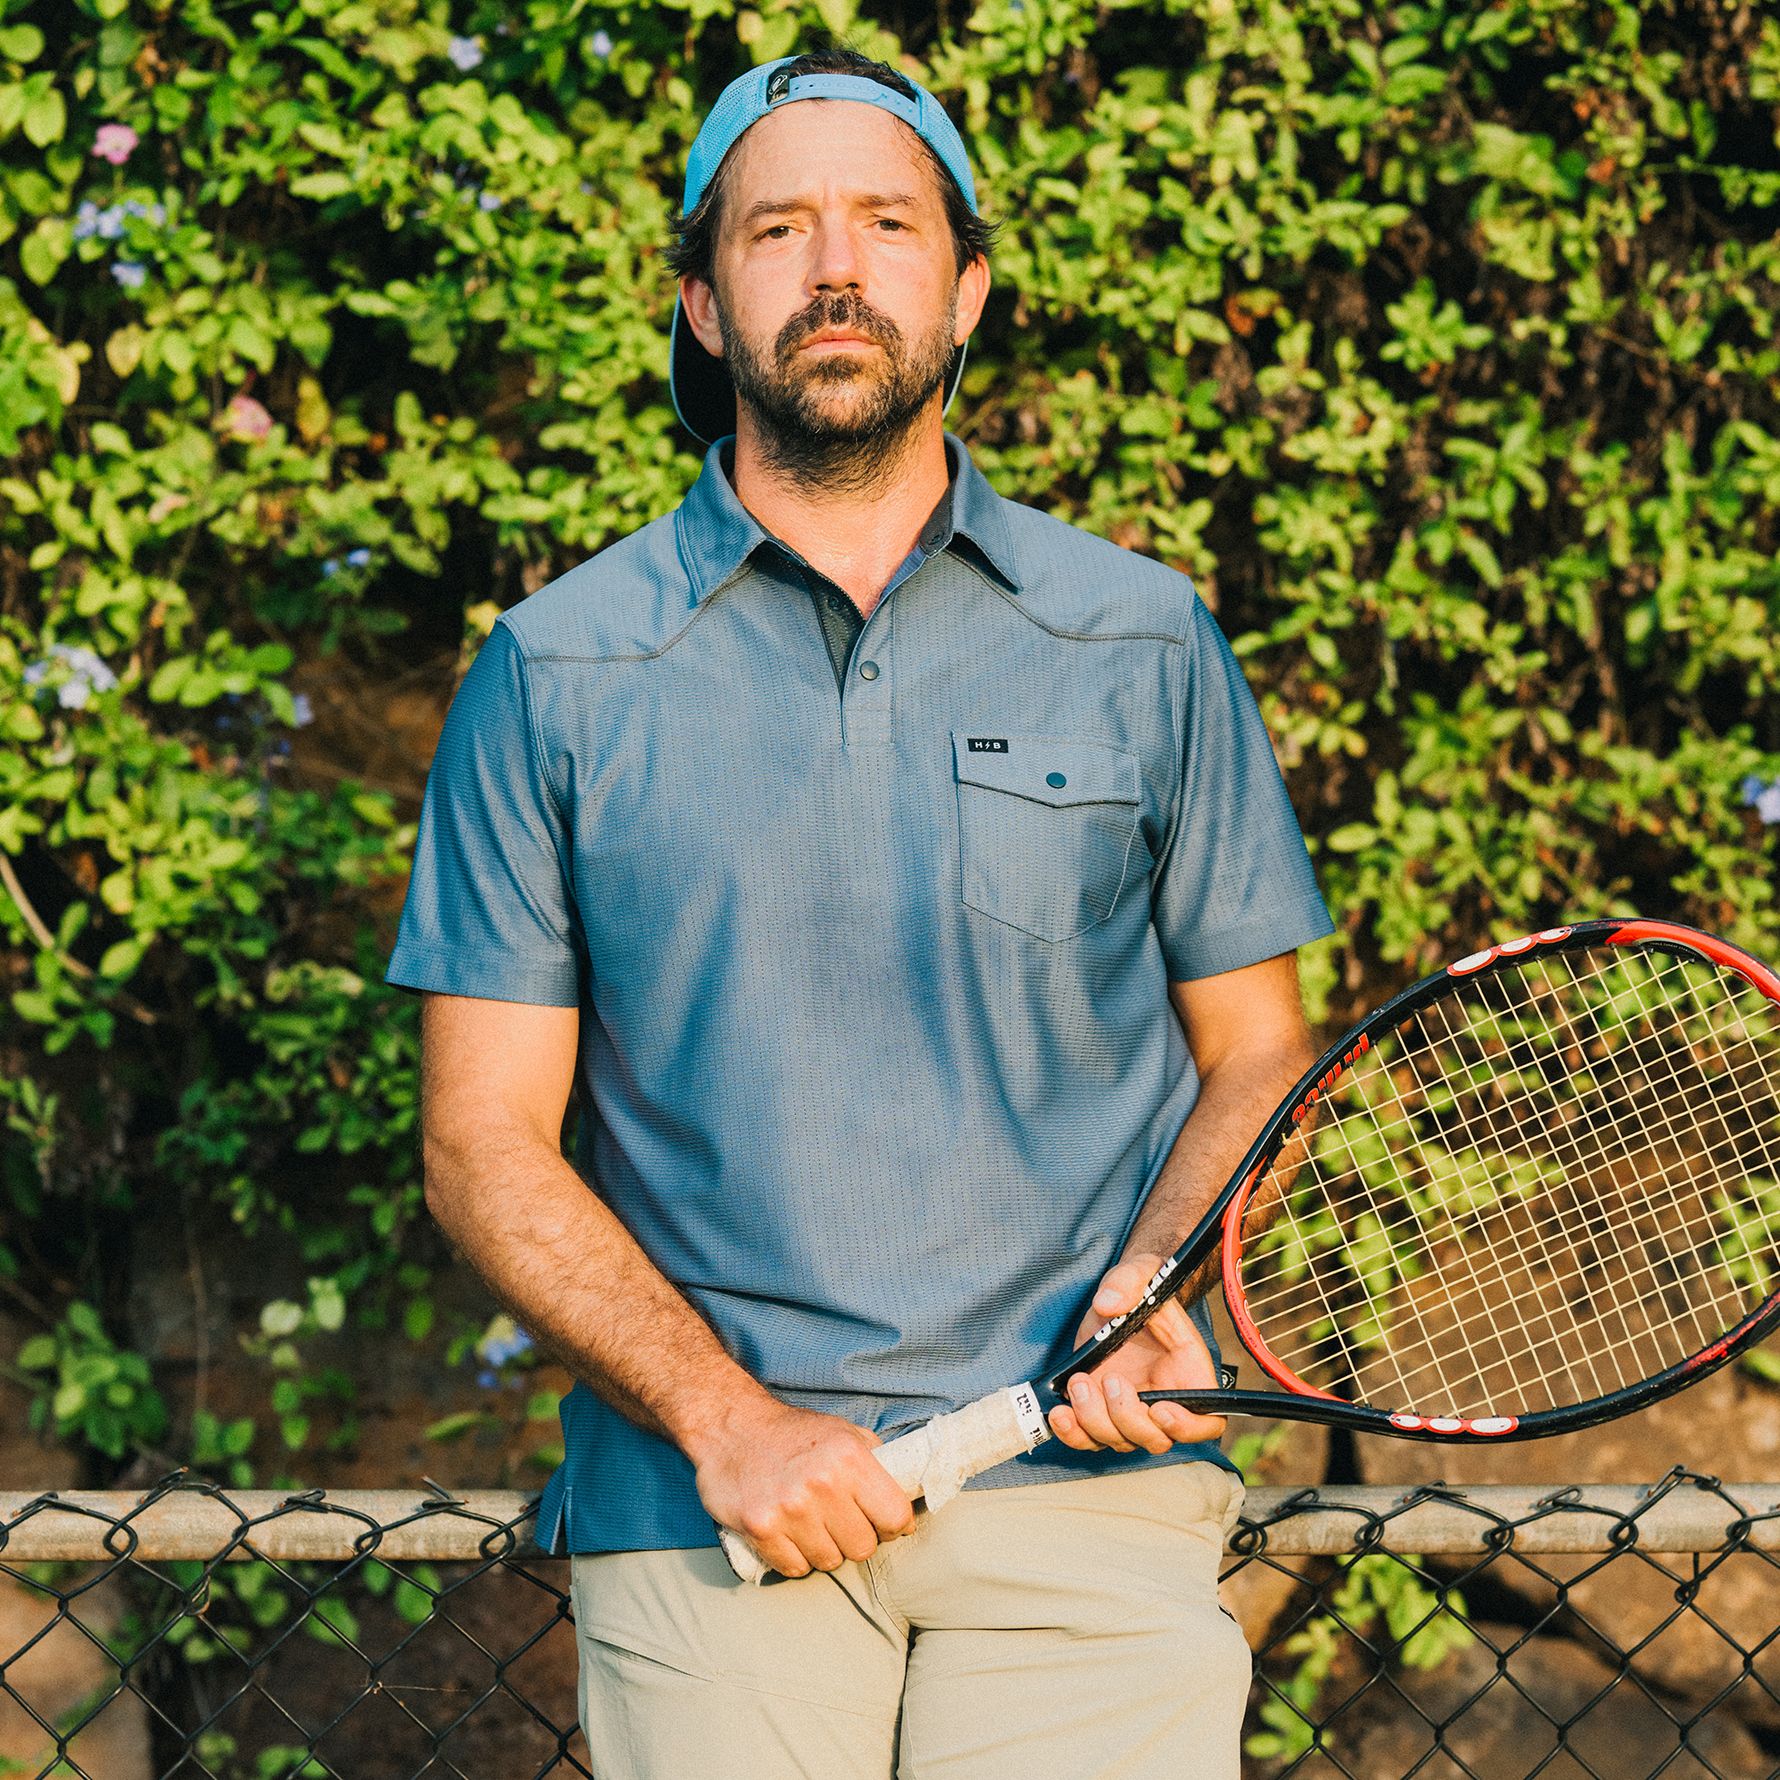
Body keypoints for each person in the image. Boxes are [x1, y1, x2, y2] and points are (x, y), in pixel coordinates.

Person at [386, 45, 1333, 1779]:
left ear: (965, 290)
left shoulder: (1140, 639)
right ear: (702, 301)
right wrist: (728, 1424)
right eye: (778, 229)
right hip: (711, 1513)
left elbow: (1259, 1050)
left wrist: (1152, 1280)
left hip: (1085, 1486)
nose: (836, 267)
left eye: (889, 223)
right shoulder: (556, 672)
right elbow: (480, 1141)